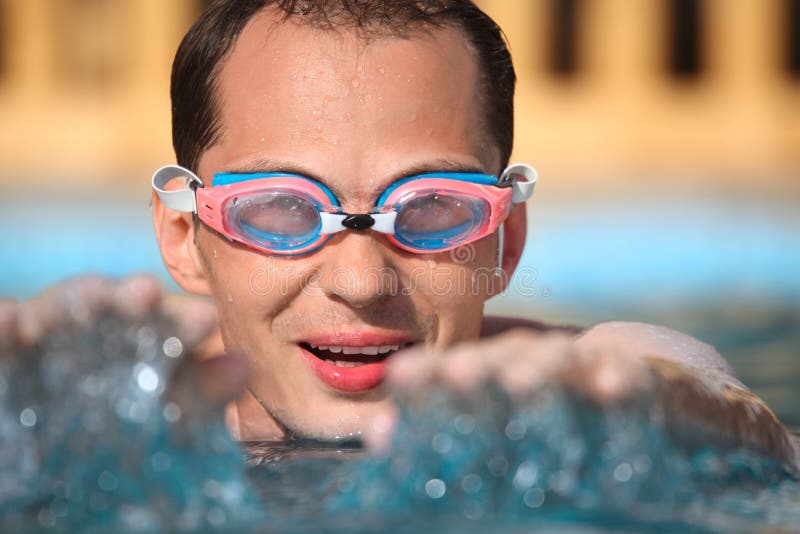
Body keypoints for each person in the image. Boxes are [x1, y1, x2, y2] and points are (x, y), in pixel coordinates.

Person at [3, 0, 798, 472]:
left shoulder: (569, 398)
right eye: (282, 209)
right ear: (184, 238)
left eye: (428, 208)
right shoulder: (105, 430)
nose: (361, 279)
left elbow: (684, 385)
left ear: (505, 240)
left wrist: (679, 415)